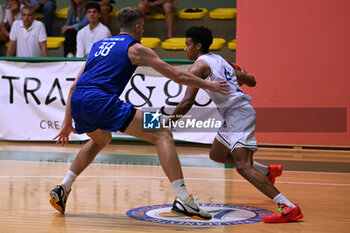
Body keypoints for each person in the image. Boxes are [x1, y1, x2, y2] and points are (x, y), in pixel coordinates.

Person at [49, 7, 228, 220]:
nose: (142, 31)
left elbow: (74, 86)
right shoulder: (135, 48)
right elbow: (178, 76)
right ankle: (183, 200)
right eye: (142, 27)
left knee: (101, 139)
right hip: (102, 102)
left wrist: (67, 122)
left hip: (79, 102)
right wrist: (209, 86)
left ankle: (63, 186)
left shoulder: (99, 46)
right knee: (162, 131)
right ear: (137, 27)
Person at [166, 26, 303, 223]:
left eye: (187, 45)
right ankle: (266, 171)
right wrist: (248, 79)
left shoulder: (197, 67)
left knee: (242, 166)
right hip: (232, 115)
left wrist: (167, 124)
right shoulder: (220, 59)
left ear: (198, 45)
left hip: (238, 114)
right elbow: (247, 79)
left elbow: (187, 102)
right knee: (217, 154)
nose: (184, 49)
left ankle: (288, 206)